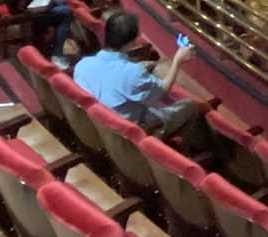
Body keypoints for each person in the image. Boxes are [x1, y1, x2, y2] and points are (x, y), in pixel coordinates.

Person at [72, 9, 207, 144]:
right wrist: (177, 61)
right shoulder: (132, 73)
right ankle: (195, 150)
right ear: (132, 42)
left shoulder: (82, 65)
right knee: (191, 106)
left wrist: (135, 69)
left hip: (104, 128)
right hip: (135, 133)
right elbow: (162, 91)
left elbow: (111, 76)